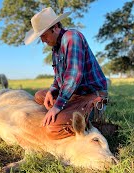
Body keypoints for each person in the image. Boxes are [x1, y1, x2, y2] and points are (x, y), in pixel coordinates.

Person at [24, 7, 109, 139]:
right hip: (74, 94)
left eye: (44, 35)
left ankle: (93, 121)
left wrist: (57, 106)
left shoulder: (72, 37)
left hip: (90, 95)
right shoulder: (55, 49)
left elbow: (74, 75)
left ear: (56, 26)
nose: (43, 40)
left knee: (52, 129)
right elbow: (59, 77)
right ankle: (68, 111)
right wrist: (52, 90)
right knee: (40, 96)